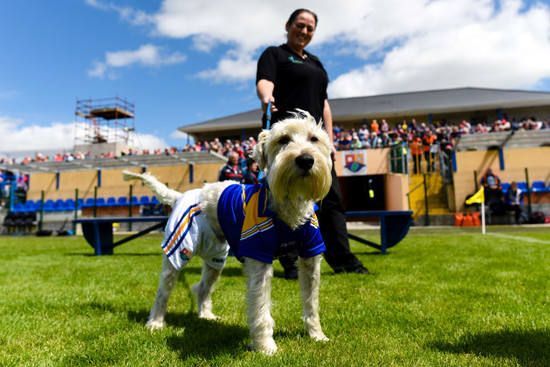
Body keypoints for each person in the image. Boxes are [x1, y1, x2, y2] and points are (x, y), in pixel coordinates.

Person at [256, 8, 369, 278]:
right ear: (288, 25)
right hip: (286, 143)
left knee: (330, 201)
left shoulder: (317, 63)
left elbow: (324, 105)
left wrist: (329, 141)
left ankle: (343, 259)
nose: (304, 31)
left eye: (310, 28)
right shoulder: (275, 54)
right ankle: (291, 261)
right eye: (300, 25)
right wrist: (266, 97)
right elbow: (265, 81)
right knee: (282, 199)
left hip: (315, 142)